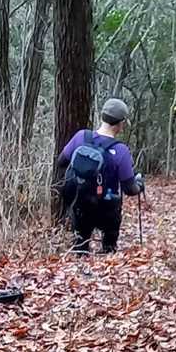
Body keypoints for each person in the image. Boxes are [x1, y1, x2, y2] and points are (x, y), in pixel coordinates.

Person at [58, 98, 144, 255]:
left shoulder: (81, 137)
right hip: (107, 209)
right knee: (109, 249)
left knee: (80, 249)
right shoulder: (121, 151)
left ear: (102, 116)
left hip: (80, 205)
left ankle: (80, 262)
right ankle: (108, 253)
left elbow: (61, 162)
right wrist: (139, 184)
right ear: (121, 123)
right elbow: (129, 189)